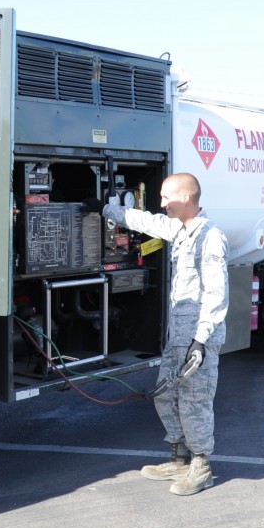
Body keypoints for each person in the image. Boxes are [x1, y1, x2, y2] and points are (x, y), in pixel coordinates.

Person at [84, 172, 228, 495]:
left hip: (197, 339)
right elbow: (144, 221)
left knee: (195, 401)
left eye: (167, 197)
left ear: (187, 198)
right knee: (165, 395)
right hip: (179, 336)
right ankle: (179, 457)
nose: (161, 203)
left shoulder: (211, 237)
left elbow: (217, 295)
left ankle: (201, 465)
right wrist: (105, 210)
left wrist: (200, 341)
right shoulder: (179, 229)